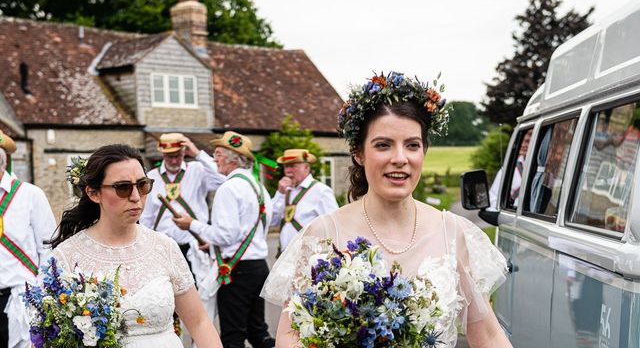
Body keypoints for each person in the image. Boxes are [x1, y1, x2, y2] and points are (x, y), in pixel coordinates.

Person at [263, 72, 512, 348]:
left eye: (412, 145)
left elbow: (487, 334)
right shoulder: (323, 234)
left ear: (423, 151)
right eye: (383, 145)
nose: (400, 159)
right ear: (359, 152)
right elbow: (289, 335)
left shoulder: (453, 232)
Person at [48, 144, 222, 348]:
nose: (136, 197)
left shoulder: (164, 247)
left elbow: (200, 323)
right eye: (122, 187)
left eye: (142, 185)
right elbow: (49, 336)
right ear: (94, 193)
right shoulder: (67, 256)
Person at [174, 131, 275, 348]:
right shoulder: (259, 187)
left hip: (237, 272)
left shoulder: (228, 189)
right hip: (258, 266)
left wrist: (191, 224)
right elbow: (253, 229)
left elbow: (226, 234)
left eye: (218, 154)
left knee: (233, 336)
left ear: (231, 159)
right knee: (258, 332)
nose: (215, 158)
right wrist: (213, 245)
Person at [0, 130, 56, 348]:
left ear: (3, 162)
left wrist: (40, 295)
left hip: (19, 300)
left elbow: (49, 248)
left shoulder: (30, 195)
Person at [140, 133, 225, 262]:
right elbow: (147, 217)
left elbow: (223, 179)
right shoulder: (152, 177)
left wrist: (197, 154)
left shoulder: (198, 170)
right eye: (169, 157)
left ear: (184, 152)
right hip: (163, 249)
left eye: (177, 156)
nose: (174, 161)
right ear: (162, 154)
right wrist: (147, 247)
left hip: (195, 246)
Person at [271, 148, 339, 255]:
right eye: (286, 166)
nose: (288, 171)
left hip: (308, 257)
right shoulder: (286, 190)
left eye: (293, 166)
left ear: (306, 167)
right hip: (284, 256)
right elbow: (272, 221)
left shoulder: (321, 191)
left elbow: (334, 226)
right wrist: (280, 193)